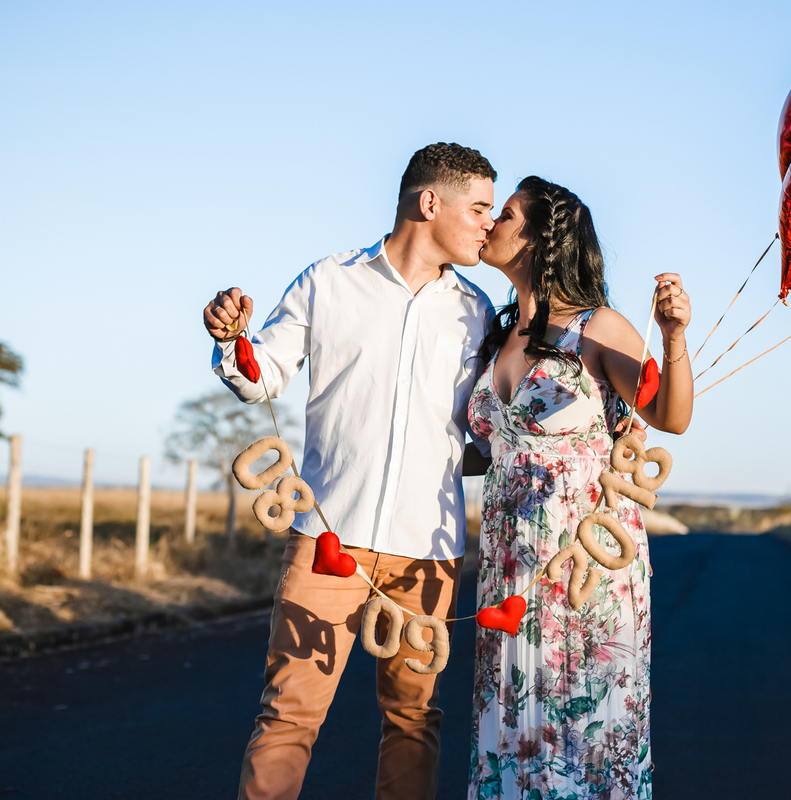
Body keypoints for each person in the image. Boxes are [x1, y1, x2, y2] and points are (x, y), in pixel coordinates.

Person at [203, 142, 499, 800]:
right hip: (326, 541)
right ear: (431, 203)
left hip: (430, 553)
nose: (489, 222)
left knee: (414, 719)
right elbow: (262, 377)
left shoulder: (476, 313)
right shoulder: (327, 281)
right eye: (478, 208)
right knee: (289, 715)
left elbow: (483, 435)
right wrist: (230, 339)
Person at [466, 176, 693, 799]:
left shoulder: (598, 328)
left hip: (585, 564)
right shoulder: (498, 334)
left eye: (505, 214)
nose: (489, 223)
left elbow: (668, 416)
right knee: (514, 729)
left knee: (582, 735)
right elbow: (485, 452)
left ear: (541, 236)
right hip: (509, 568)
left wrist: (673, 338)